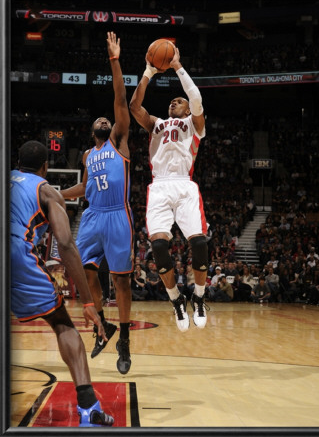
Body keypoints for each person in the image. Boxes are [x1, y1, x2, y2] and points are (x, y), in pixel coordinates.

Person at [10, 140, 114, 427]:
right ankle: (89, 407)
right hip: (16, 254)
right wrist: (88, 302)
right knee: (62, 323)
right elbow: (66, 244)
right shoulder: (45, 190)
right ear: (45, 167)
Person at [60, 32, 133, 375]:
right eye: (99, 122)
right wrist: (58, 195)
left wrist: (114, 60)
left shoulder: (118, 141)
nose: (105, 121)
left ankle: (125, 342)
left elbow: (120, 98)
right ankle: (104, 326)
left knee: (121, 281)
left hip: (117, 215)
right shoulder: (89, 155)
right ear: (92, 131)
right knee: (85, 271)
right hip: (92, 215)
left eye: (108, 119)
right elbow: (86, 189)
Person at [130, 45, 209, 332]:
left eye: (179, 100)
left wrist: (177, 66)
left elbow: (197, 99)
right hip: (160, 187)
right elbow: (134, 108)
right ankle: (175, 299)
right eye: (172, 101)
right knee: (160, 247)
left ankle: (199, 297)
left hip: (185, 185)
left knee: (199, 244)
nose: (173, 103)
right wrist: (149, 72)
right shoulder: (157, 124)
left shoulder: (194, 124)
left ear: (187, 108)